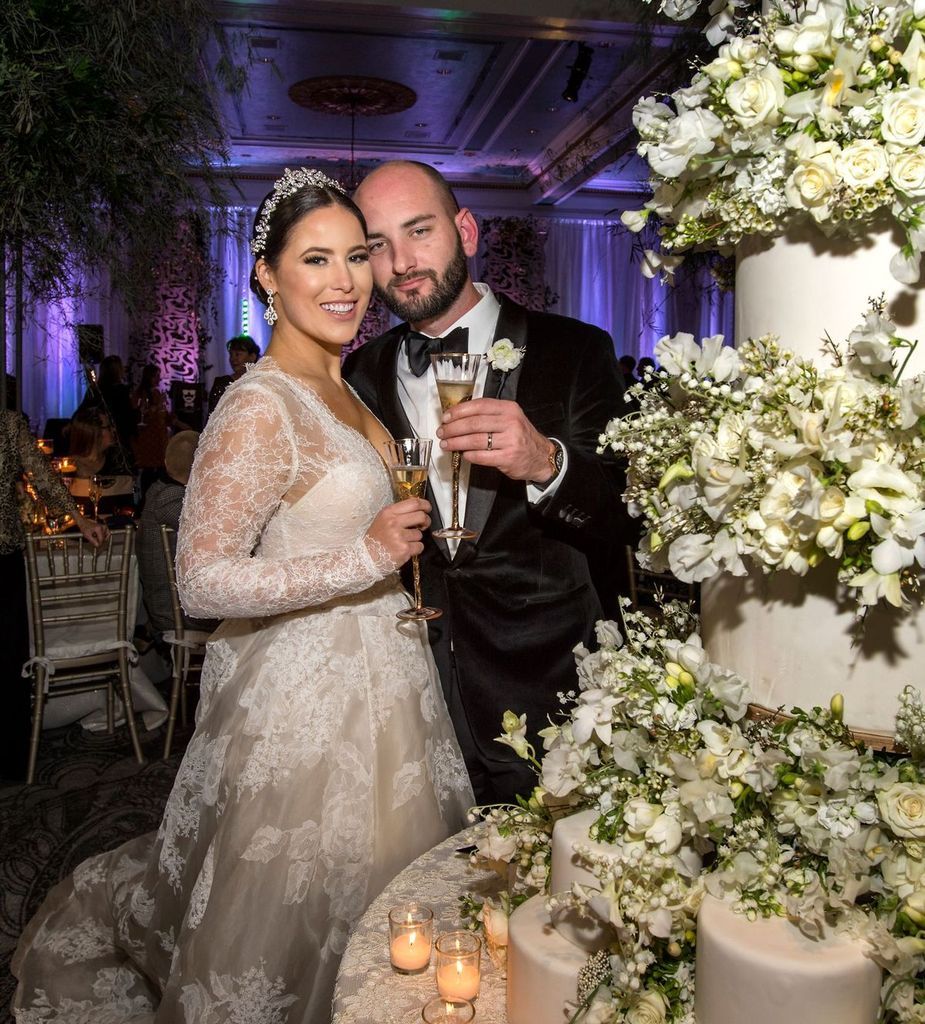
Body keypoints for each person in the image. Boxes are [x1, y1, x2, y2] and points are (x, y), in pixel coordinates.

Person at [12, 167, 473, 1022]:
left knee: (386, 899)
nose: (345, 281)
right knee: (289, 918)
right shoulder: (257, 404)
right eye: (316, 259)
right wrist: (363, 558)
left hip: (389, 680)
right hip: (305, 705)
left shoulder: (347, 386)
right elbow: (201, 579)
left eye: (357, 256)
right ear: (268, 275)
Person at [344, 160, 629, 805]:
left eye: (419, 231)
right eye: (378, 246)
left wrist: (545, 462)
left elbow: (626, 514)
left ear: (466, 230)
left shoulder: (575, 350)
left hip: (549, 674)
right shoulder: (360, 371)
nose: (403, 262)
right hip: (414, 674)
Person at [0, 410, 106, 781]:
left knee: (11, 656)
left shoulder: (9, 424)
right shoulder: (9, 424)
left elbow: (43, 477)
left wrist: (79, 520)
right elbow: (43, 479)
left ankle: (13, 759)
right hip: (6, 555)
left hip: (6, 554)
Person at [136, 430, 218, 643]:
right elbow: (213, 536)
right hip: (175, 613)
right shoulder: (173, 499)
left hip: (169, 606)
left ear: (165, 461)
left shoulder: (158, 489)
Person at [207, 333, 261, 414]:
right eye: (231, 355)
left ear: (252, 357)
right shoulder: (222, 383)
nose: (233, 359)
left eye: (238, 354)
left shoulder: (261, 382)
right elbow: (212, 416)